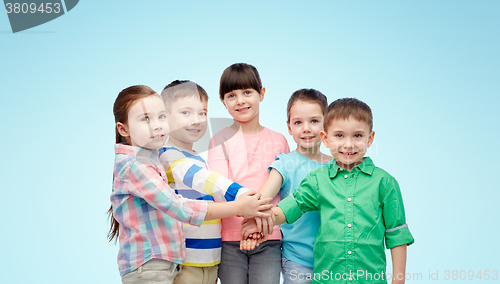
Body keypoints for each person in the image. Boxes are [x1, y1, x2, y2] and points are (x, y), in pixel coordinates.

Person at [107, 85, 273, 284]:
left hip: (196, 260)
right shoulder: (156, 159)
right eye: (146, 119)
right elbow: (186, 199)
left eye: (202, 113)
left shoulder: (170, 159)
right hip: (170, 263)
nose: (157, 125)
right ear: (123, 128)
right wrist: (243, 202)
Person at [243, 98, 415, 284]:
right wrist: (260, 222)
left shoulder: (385, 183)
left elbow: (396, 235)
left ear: (370, 138)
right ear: (325, 138)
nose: (348, 144)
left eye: (357, 136)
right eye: (339, 136)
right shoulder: (317, 180)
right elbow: (289, 208)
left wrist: (398, 281)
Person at [158, 80, 274, 284]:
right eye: (186, 113)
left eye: (202, 113)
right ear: (165, 117)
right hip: (185, 262)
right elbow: (204, 179)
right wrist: (242, 197)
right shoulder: (167, 155)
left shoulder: (198, 158)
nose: (196, 120)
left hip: (211, 260)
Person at [207, 63, 289, 284]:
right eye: (231, 95)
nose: (240, 100)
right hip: (230, 240)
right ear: (223, 102)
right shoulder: (218, 140)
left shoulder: (279, 140)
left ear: (261, 94)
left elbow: (284, 189)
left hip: (268, 237)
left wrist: (258, 223)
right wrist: (249, 216)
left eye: (247, 92)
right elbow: (219, 188)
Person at [242, 88, 332, 284]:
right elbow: (263, 200)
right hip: (296, 258)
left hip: (333, 260)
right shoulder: (285, 163)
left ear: (327, 125)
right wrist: (252, 226)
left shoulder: (337, 167)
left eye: (314, 121)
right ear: (289, 128)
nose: (306, 128)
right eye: (298, 122)